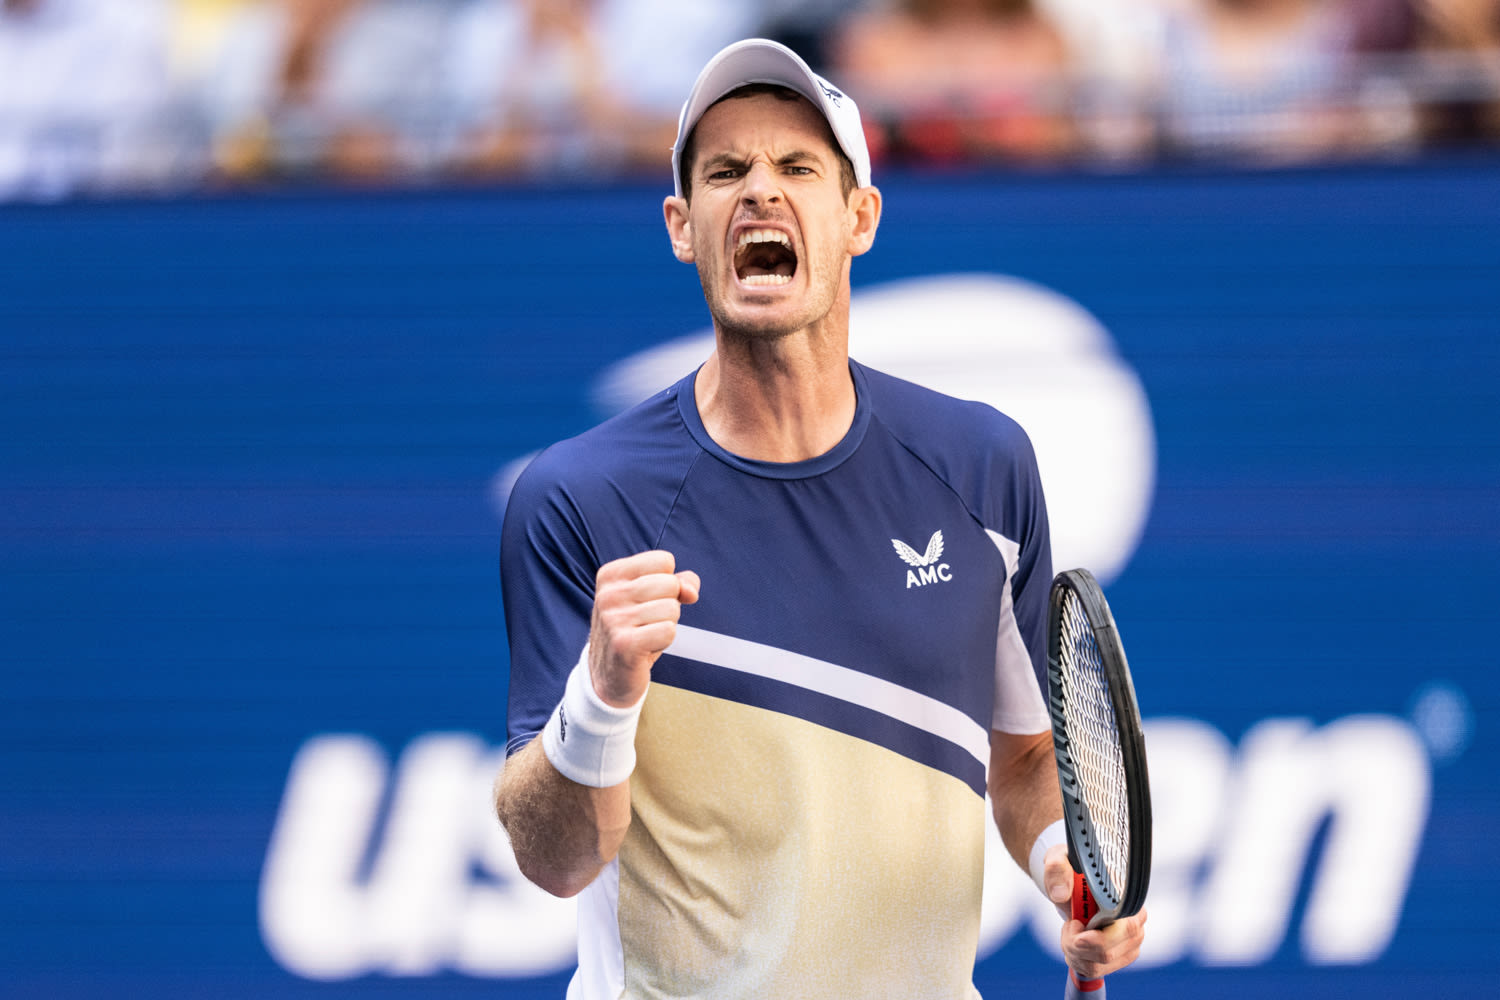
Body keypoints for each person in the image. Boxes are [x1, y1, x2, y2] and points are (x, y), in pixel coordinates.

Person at [496, 38, 1147, 999]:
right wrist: (601, 691)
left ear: (859, 217)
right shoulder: (579, 497)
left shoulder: (982, 466)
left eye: (798, 167)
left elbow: (1027, 757)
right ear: (683, 226)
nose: (760, 191)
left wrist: (1064, 861)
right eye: (726, 172)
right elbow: (555, 860)